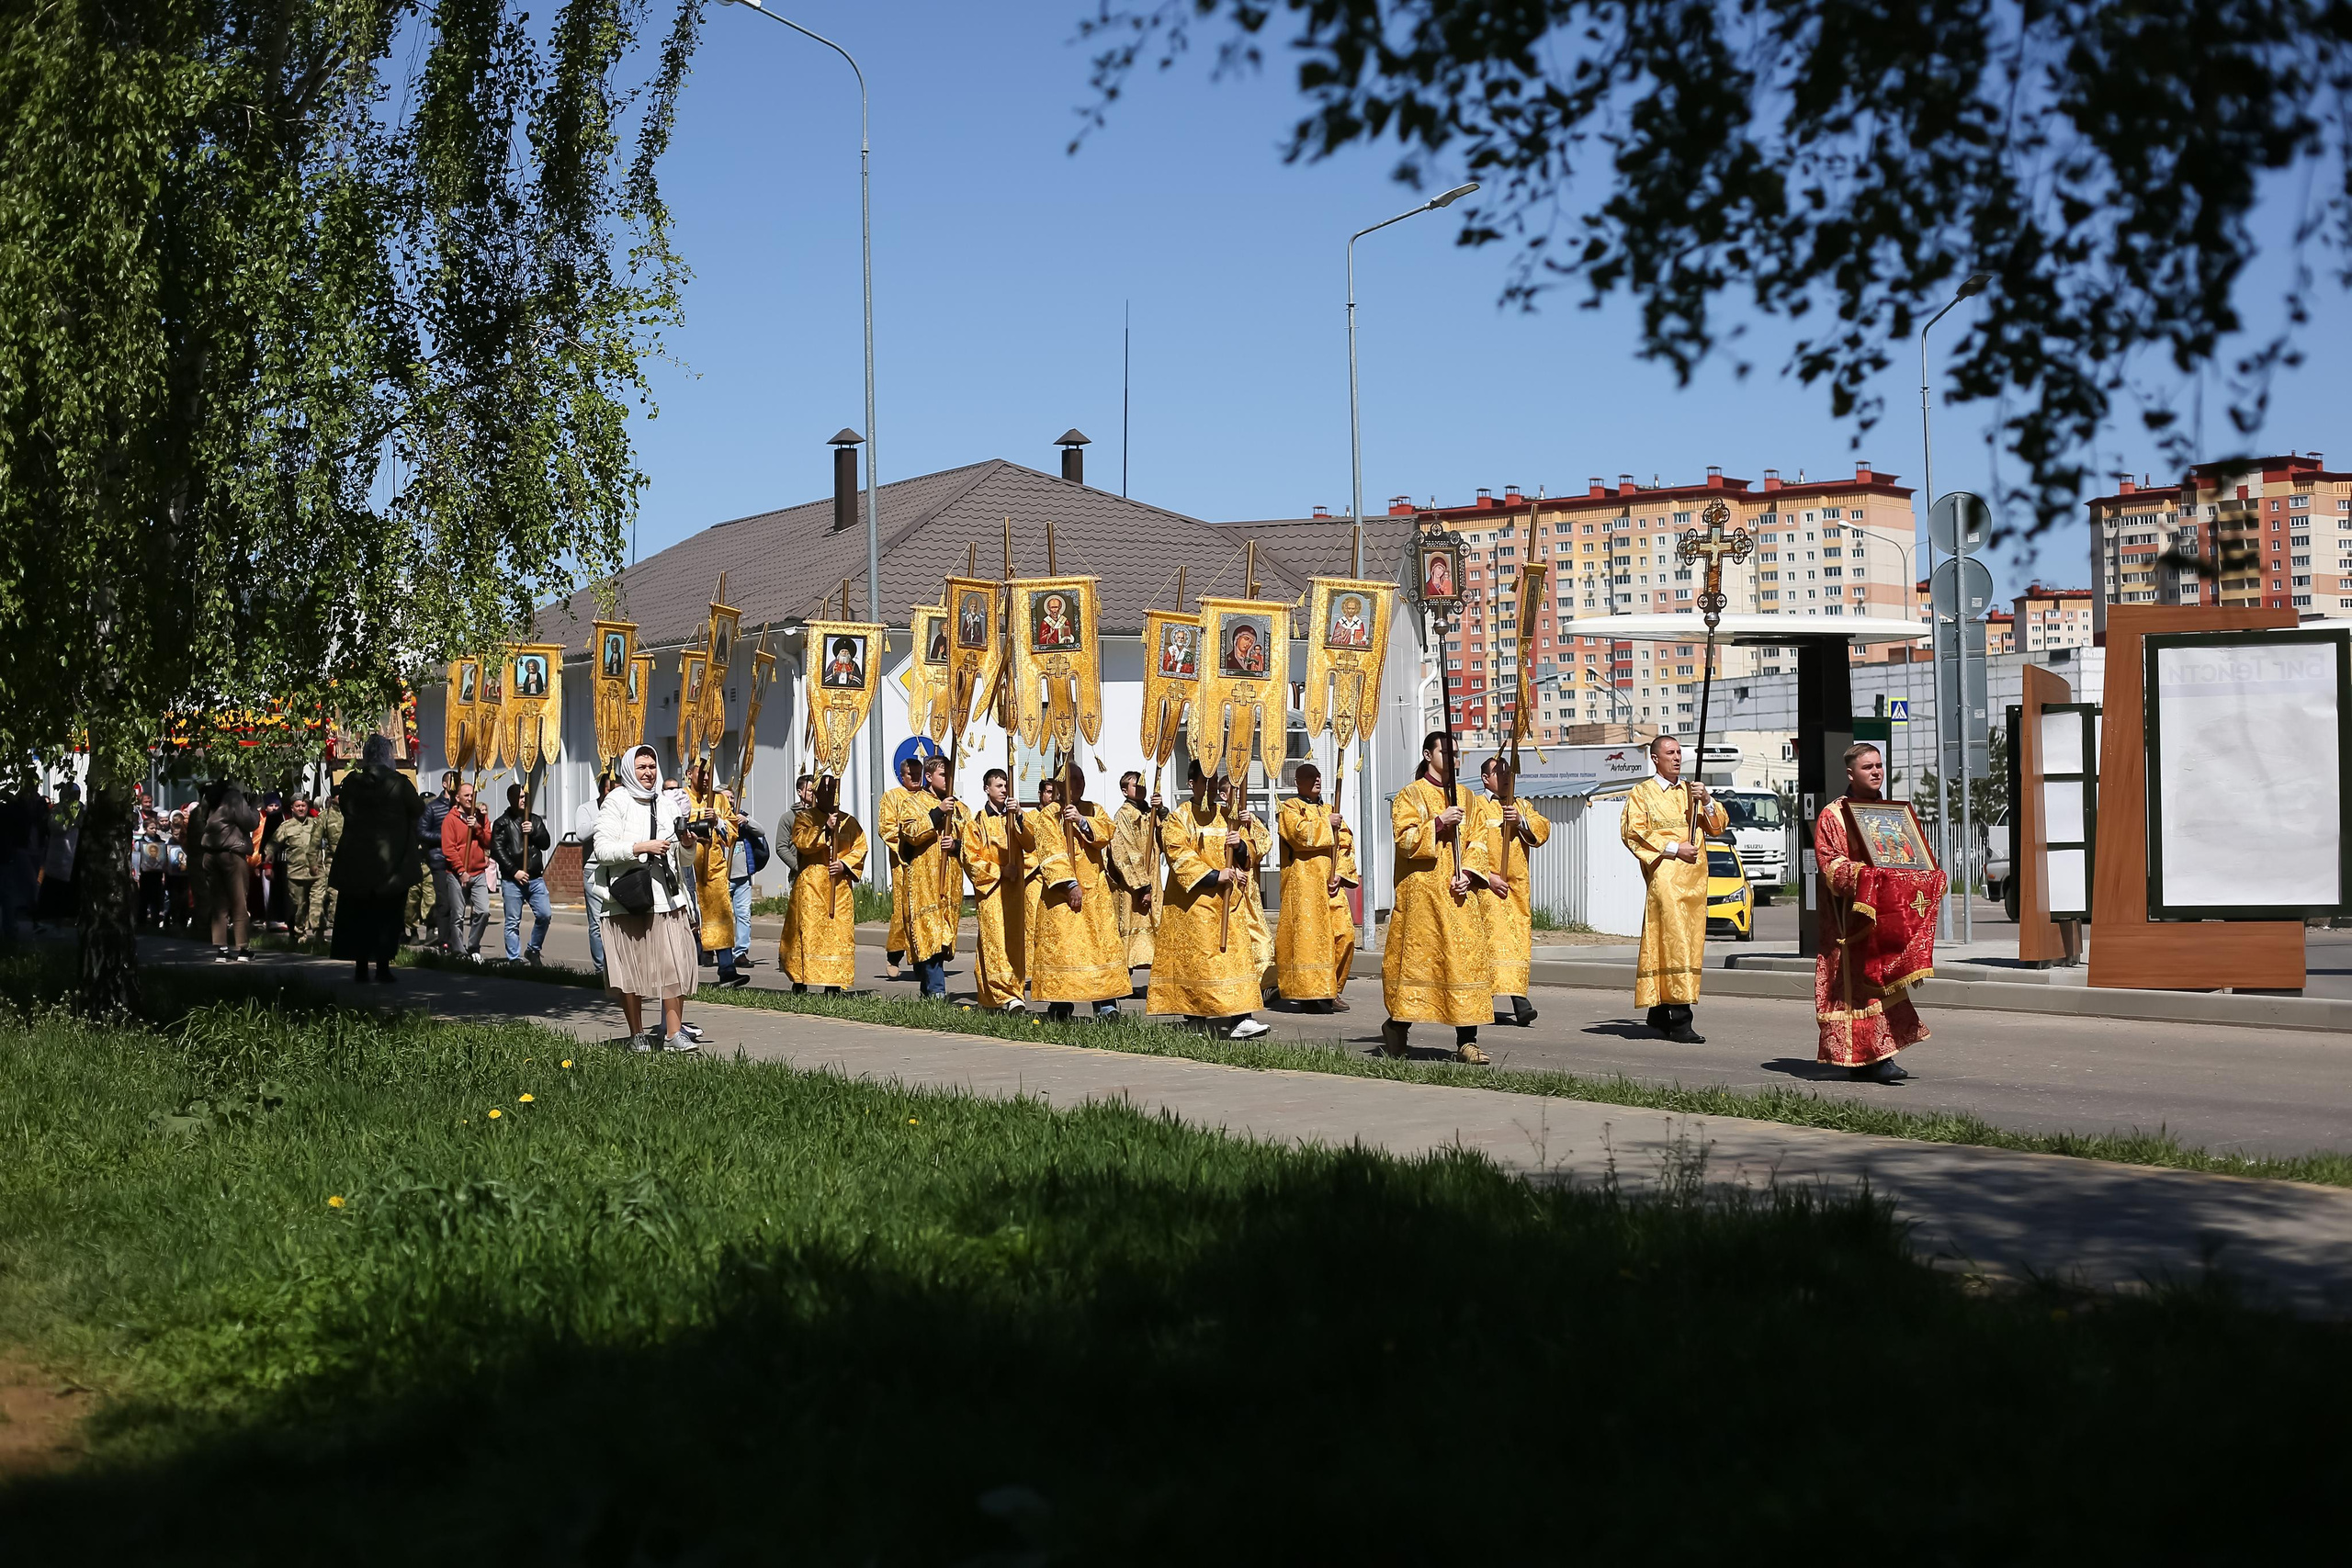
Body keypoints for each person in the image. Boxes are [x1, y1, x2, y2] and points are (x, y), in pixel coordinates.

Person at [1815, 742, 1941, 1083]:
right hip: (1851, 920)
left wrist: (1921, 875)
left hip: (1885, 919)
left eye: (1879, 765)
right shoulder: (1834, 814)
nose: (1876, 772)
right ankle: (1873, 1059)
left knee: (1882, 985)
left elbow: (1908, 859)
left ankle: (1878, 1056)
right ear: (1850, 773)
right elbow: (1830, 865)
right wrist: (1869, 876)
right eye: (1868, 766)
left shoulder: (1891, 813)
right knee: (1859, 990)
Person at [1380, 731, 1496, 1063]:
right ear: (1428, 755)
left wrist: (1469, 873)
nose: (1453, 759)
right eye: (1446, 752)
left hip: (1459, 895)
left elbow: (1479, 842)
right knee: (1420, 964)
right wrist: (1439, 823)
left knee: (1463, 963)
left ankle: (1467, 1041)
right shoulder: (1410, 795)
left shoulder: (1467, 797)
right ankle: (1398, 1026)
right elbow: (1404, 840)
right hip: (1422, 899)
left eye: (1456, 753)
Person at [1146, 763, 1271, 1039]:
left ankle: (1241, 1017)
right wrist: (1216, 875)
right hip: (1195, 904)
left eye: (1215, 782)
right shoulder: (1180, 818)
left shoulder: (1228, 816)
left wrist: (1240, 845)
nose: (1213, 788)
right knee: (1199, 963)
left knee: (1235, 960)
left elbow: (1250, 851)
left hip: (1229, 903)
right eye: (1207, 782)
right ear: (1192, 784)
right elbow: (1178, 855)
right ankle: (1195, 1019)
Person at [1620, 734, 1727, 1043]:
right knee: (1675, 940)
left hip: (1695, 879)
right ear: (1655, 758)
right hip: (1665, 876)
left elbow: (1718, 826)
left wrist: (1706, 800)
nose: (1677, 758)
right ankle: (1681, 1020)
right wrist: (1673, 848)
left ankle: (1659, 1010)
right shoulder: (1642, 792)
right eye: (1670, 752)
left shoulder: (1690, 792)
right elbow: (1632, 832)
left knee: (1684, 943)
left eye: (1680, 752)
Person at [594, 743, 701, 1051]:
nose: (648, 773)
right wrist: (642, 847)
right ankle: (637, 1035)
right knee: (632, 970)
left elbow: (682, 859)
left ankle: (673, 1034)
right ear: (630, 769)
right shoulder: (616, 801)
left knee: (675, 966)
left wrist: (688, 845)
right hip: (627, 900)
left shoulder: (667, 804)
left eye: (652, 767)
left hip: (668, 898)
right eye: (642, 767)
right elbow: (602, 850)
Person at [1030, 762, 1126, 1021]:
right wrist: (1070, 884)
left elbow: (1107, 832)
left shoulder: (1093, 809)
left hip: (1095, 893)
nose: (1079, 784)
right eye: (1072, 779)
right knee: (1065, 949)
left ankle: (1106, 1006)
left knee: (1100, 950)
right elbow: (1051, 853)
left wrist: (1082, 821)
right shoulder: (1048, 815)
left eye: (1081, 778)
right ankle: (1061, 1006)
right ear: (1060, 785)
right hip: (1062, 896)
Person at [329, 736, 424, 982]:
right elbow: (418, 809)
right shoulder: (400, 784)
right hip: (391, 860)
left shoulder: (351, 782)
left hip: (357, 857)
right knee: (388, 915)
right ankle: (383, 967)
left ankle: (360, 967)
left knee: (358, 914)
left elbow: (345, 808)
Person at [1476, 757, 1553, 1028]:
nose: (1506, 776)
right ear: (1486, 778)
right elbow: (1465, 847)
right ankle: (1514, 1003)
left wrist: (1520, 822)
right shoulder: (1475, 806)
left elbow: (1542, 829)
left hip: (1516, 891)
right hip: (1486, 888)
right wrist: (1488, 877)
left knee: (1517, 945)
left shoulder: (1521, 805)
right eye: (1499, 772)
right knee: (1493, 945)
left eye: (1509, 771)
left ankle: (1518, 997)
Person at [1275, 763, 1356, 1012]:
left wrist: (1340, 874)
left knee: (1345, 935)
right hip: (1304, 884)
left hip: (1330, 884)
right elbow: (1298, 836)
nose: (1317, 779)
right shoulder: (1290, 807)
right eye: (1311, 776)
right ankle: (1311, 993)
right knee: (1309, 940)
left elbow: (1345, 843)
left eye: (1319, 775)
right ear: (1298, 781)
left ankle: (1332, 988)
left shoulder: (1331, 809)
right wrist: (1326, 824)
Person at [780, 773, 866, 993]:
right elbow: (801, 842)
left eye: (832, 791)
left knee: (838, 934)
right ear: (816, 794)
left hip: (839, 888)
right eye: (823, 791)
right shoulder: (805, 818)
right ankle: (801, 981)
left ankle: (833, 985)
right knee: (807, 933)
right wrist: (825, 828)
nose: (828, 795)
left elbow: (860, 846)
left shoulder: (849, 821)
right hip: (812, 886)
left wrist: (845, 865)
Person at [959, 767, 1034, 1011]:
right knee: (994, 940)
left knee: (1015, 941)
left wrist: (1020, 815)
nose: (1003, 790)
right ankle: (1004, 995)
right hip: (992, 892)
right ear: (987, 789)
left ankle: (1009, 992)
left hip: (1015, 892)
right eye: (999, 786)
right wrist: (1000, 871)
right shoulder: (976, 823)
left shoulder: (1015, 817)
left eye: (1006, 786)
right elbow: (970, 858)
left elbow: (1032, 843)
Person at [889, 755, 963, 999]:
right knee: (930, 933)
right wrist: (938, 813)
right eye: (944, 774)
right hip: (924, 881)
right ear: (929, 777)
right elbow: (909, 832)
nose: (948, 779)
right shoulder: (914, 803)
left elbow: (973, 839)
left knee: (943, 938)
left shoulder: (960, 808)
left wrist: (956, 844)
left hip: (950, 881)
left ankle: (928, 992)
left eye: (951, 775)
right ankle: (937, 991)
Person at [683, 761, 740, 985]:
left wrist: (718, 821)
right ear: (690, 774)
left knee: (721, 917)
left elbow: (733, 833)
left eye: (709, 774)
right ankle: (685, 973)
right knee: (689, 920)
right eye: (701, 773)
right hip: (688, 870)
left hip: (714, 870)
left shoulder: (720, 800)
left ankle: (727, 969)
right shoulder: (680, 798)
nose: (706, 778)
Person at [197, 777, 259, 962]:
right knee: (239, 901)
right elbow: (250, 823)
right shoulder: (233, 797)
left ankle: (221, 949)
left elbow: (202, 819)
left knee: (219, 903)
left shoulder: (208, 798)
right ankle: (242, 949)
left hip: (210, 854)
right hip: (231, 853)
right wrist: (254, 807)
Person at [876, 752, 926, 980]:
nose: (915, 778)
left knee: (922, 913)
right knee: (902, 912)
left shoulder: (927, 797)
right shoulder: (892, 797)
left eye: (918, 774)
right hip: (903, 862)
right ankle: (894, 955)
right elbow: (886, 828)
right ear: (901, 775)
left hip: (926, 864)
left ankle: (920, 960)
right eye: (911, 774)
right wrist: (907, 843)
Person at [493, 783, 554, 963]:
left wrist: (534, 832)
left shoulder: (534, 820)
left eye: (525, 797)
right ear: (511, 798)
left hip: (535, 878)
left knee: (545, 914)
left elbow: (546, 843)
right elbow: (497, 850)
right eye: (520, 797)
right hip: (513, 880)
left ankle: (533, 949)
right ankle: (514, 959)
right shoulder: (502, 823)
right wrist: (514, 871)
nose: (523, 800)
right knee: (513, 921)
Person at [1106, 770, 1158, 975]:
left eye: (1143, 784)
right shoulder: (1123, 815)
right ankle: (1123, 975)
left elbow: (1167, 837)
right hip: (1132, 884)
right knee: (1129, 924)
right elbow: (1124, 852)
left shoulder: (1149, 813)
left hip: (1153, 877)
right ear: (1124, 791)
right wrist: (1143, 885)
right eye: (1135, 785)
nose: (1141, 788)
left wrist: (1161, 811)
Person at [439, 779, 493, 958]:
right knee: (458, 915)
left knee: (484, 911)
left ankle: (473, 946)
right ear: (458, 798)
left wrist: (477, 827)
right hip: (457, 874)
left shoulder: (480, 816)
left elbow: (489, 841)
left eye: (472, 795)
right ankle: (459, 951)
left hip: (478, 872)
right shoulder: (450, 820)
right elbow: (449, 849)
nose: (470, 798)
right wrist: (461, 871)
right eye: (467, 796)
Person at [574, 773, 616, 973]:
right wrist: (604, 816)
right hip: (594, 869)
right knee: (597, 922)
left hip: (616, 868)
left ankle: (616, 968)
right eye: (610, 790)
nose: (614, 794)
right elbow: (581, 834)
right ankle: (600, 970)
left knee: (615, 919)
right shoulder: (587, 809)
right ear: (602, 790)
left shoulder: (621, 809)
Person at [418, 770, 460, 948]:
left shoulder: (462, 808)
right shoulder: (433, 807)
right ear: (444, 784)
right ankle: (444, 942)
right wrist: (443, 836)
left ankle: (457, 943)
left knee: (457, 905)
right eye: (452, 781)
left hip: (459, 861)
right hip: (440, 860)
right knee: (444, 903)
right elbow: (421, 832)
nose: (455, 785)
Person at [277, 795, 325, 944]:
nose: (301, 808)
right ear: (292, 808)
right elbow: (272, 844)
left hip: (316, 874)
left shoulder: (316, 824)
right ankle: (299, 935)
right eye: (298, 806)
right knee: (299, 908)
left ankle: (319, 937)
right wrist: (268, 858)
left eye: (304, 805)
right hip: (296, 874)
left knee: (318, 905)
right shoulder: (286, 826)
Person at [729, 807, 767, 978]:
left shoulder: (741, 814)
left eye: (731, 797)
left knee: (743, 914)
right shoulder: (715, 814)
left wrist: (746, 820)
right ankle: (713, 950)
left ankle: (740, 953)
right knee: (721, 916)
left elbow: (760, 831)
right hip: (722, 875)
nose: (730, 800)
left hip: (742, 875)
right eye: (726, 797)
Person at [313, 787, 344, 944]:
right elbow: (315, 841)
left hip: (353, 862)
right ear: (333, 797)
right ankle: (332, 931)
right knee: (335, 896)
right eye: (339, 795)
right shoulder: (324, 817)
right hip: (333, 863)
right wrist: (314, 863)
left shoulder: (353, 813)